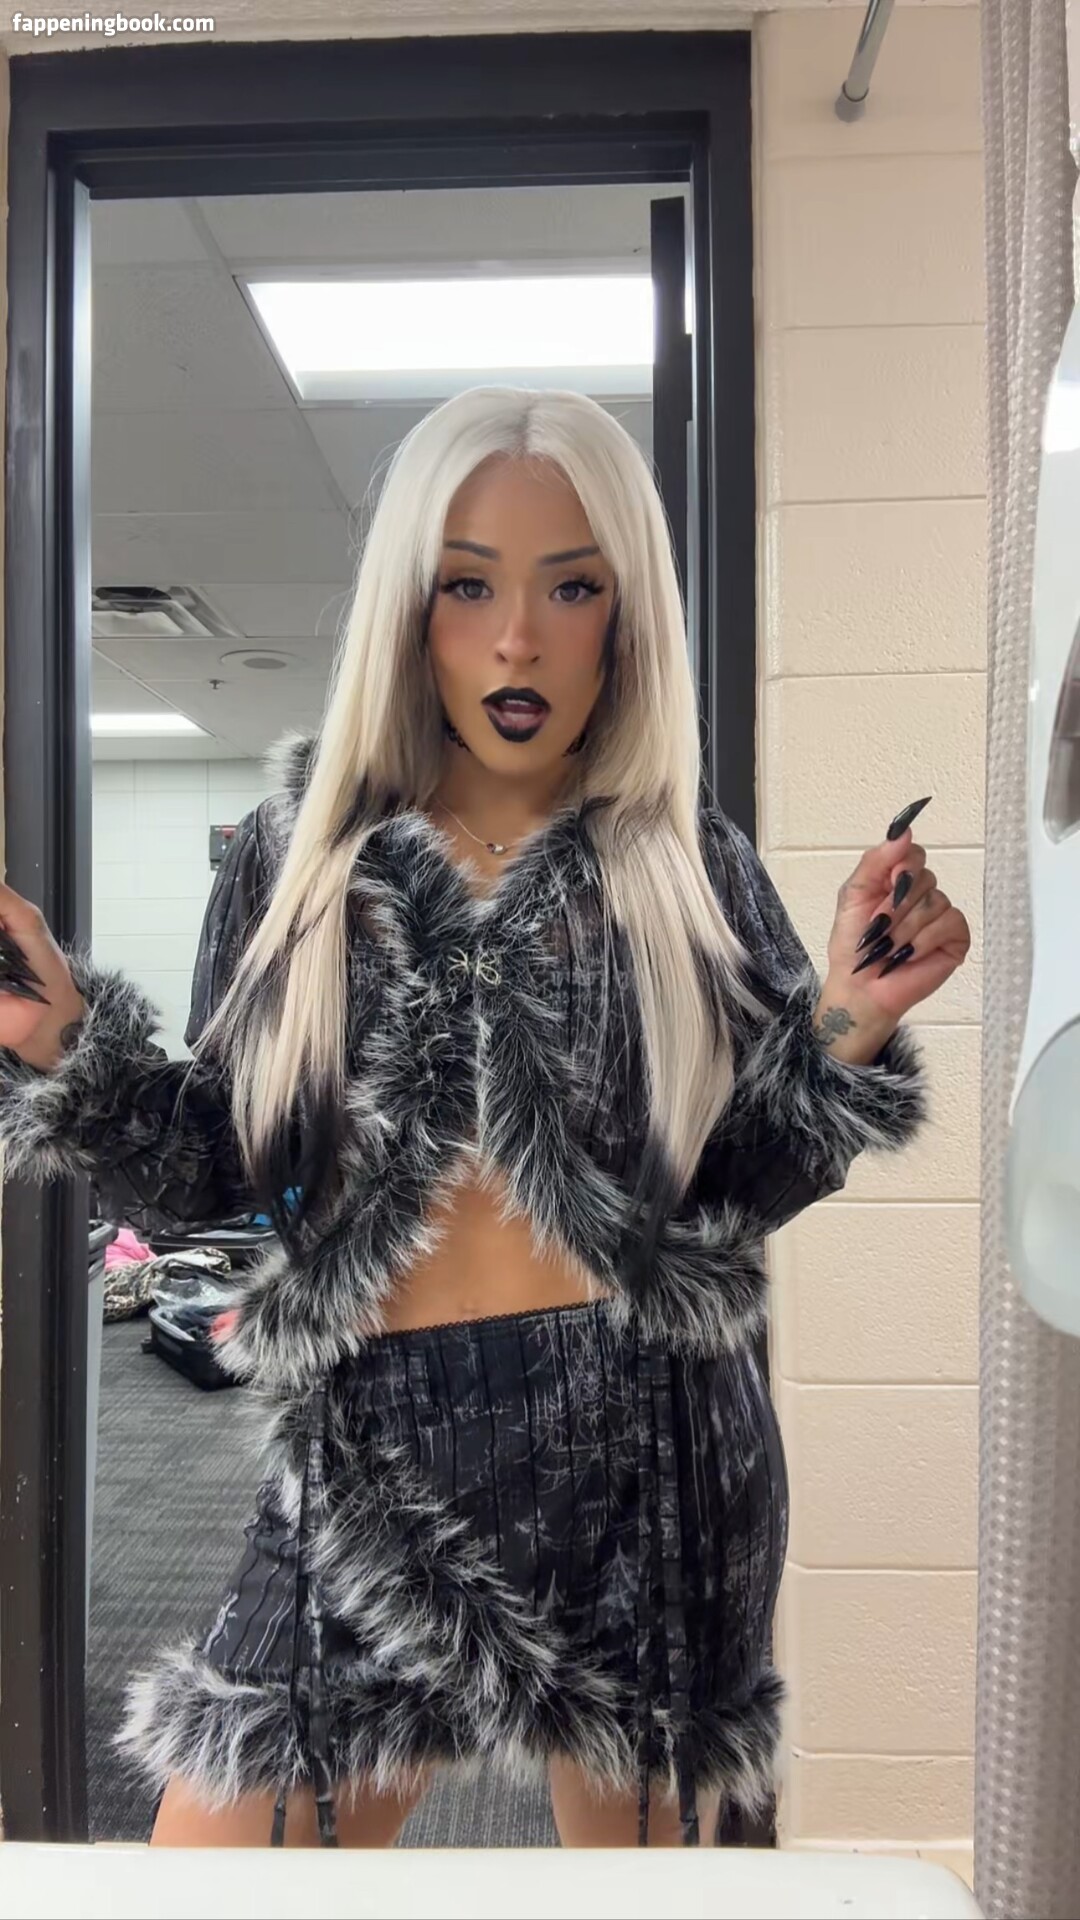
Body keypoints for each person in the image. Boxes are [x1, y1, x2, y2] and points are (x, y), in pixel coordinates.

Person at [0, 387, 970, 1851]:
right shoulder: (299, 862)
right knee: (210, 1870)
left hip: (653, 1447)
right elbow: (229, 1174)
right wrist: (68, 1043)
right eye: (469, 586)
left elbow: (732, 1188)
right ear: (410, 606)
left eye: (572, 587)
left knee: (659, 1896)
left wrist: (851, 1016)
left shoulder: (685, 864)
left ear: (625, 617)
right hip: (376, 1452)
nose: (518, 639)